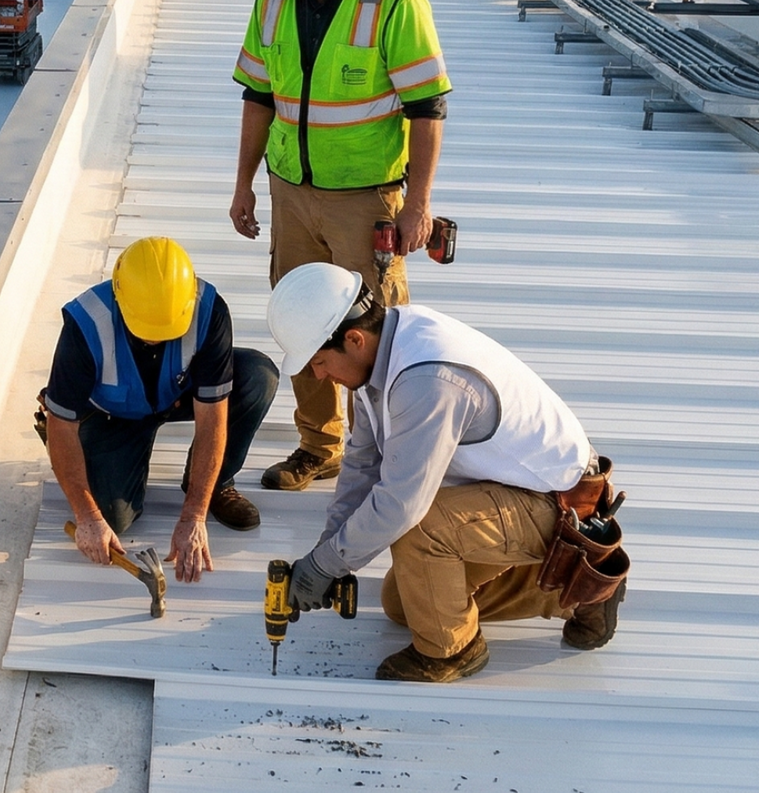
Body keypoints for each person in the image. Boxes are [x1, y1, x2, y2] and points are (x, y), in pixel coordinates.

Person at [267, 262, 623, 683]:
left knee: (419, 529)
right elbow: (362, 465)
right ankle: (577, 593)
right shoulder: (381, 356)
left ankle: (452, 651)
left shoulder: (427, 379)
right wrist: (326, 553)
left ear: (354, 338)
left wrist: (325, 565)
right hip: (511, 489)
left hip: (560, 502)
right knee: (406, 603)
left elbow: (401, 504)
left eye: (320, 363)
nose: (319, 375)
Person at [231, 0, 452, 493]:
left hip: (367, 199)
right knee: (301, 315)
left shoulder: (395, 3)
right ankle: (319, 446)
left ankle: (380, 453)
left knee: (375, 329)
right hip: (291, 192)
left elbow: (428, 108)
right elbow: (257, 97)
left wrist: (419, 204)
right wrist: (243, 183)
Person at [40, 237, 277, 585]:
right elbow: (61, 426)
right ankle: (100, 459)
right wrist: (87, 517)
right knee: (111, 518)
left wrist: (194, 515)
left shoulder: (208, 311)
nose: (155, 340)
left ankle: (215, 482)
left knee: (258, 376)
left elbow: (213, 418)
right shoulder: (86, 323)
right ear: (120, 298)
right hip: (111, 414)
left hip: (178, 394)